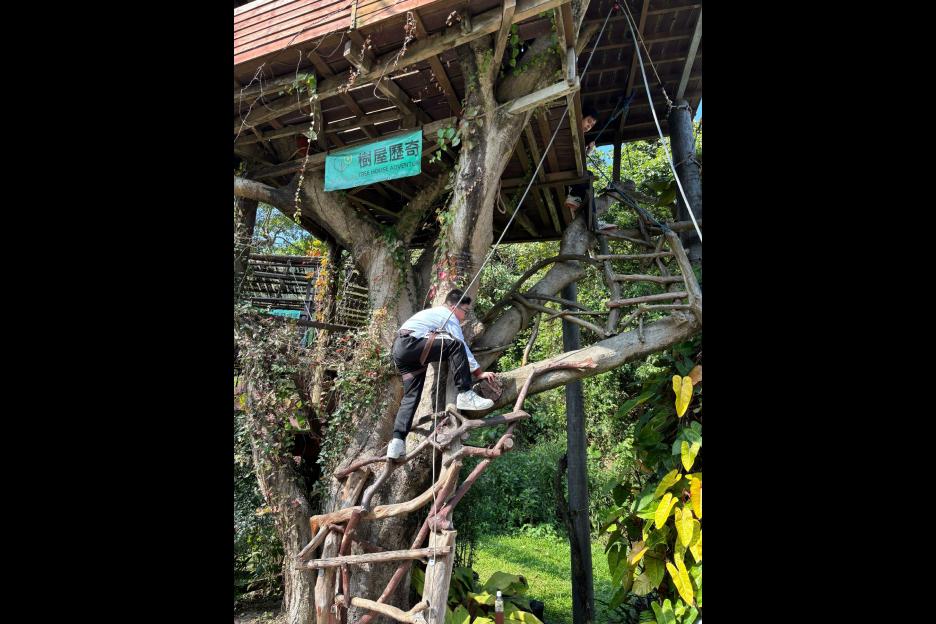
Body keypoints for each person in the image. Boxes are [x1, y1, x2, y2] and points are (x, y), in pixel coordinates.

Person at [387, 289, 497, 459]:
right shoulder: (447, 315)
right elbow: (460, 345)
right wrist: (478, 372)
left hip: (401, 350)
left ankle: (397, 443)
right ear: (453, 307)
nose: (465, 316)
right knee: (456, 345)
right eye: (465, 311)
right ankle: (465, 394)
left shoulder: (432, 315)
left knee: (411, 397)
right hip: (411, 343)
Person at [563, 106, 600, 217]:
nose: (589, 126)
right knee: (588, 175)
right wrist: (587, 151)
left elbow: (580, 160)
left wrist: (588, 150)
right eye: (588, 121)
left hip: (568, 167)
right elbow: (578, 161)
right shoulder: (571, 131)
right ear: (580, 116)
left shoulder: (578, 137)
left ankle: (577, 199)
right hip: (567, 168)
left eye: (591, 125)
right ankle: (592, 215)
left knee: (588, 178)